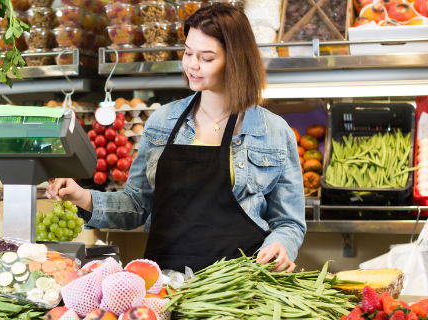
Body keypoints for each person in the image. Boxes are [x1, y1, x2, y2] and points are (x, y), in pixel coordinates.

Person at [46, 3, 306, 273]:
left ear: (235, 60)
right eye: (187, 52)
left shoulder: (274, 131)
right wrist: (82, 196)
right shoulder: (162, 122)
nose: (192, 65)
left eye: (206, 58)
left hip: (240, 289)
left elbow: (289, 222)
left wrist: (280, 244)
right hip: (167, 287)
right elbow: (136, 205)